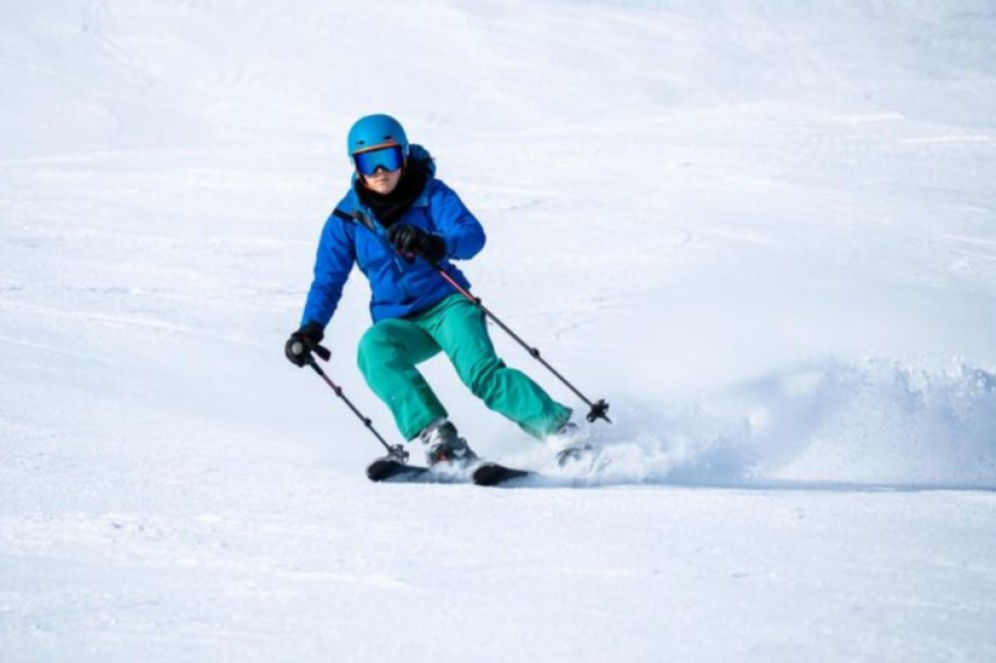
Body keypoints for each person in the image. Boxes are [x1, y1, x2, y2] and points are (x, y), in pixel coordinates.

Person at [285, 114, 578, 466]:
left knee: (481, 375)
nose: (380, 170)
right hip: (400, 322)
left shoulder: (431, 194)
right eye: (368, 161)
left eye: (388, 157)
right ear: (355, 165)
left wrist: (436, 243)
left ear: (404, 156)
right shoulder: (346, 219)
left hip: (448, 304)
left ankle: (561, 433)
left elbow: (472, 236)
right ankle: (440, 438)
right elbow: (328, 280)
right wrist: (310, 327)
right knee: (373, 349)